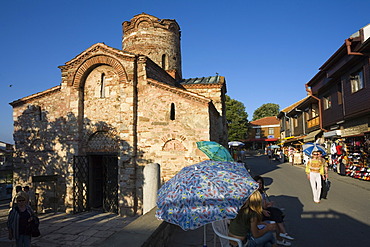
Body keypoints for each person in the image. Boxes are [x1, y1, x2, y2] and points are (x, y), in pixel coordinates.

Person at [254, 175, 294, 246]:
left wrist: (268, 204)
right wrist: (263, 210)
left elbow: (264, 205)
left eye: (260, 183)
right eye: (257, 183)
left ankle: (282, 235)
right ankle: (283, 234)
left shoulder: (262, 193)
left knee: (277, 214)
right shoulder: (253, 194)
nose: (259, 185)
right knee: (276, 215)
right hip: (257, 213)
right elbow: (253, 206)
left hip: (263, 210)